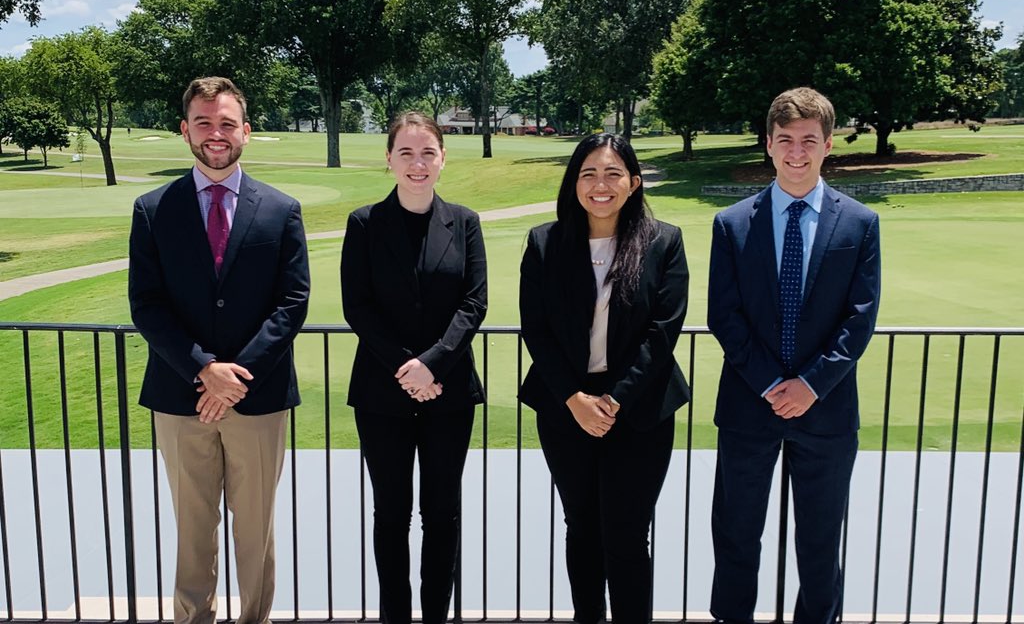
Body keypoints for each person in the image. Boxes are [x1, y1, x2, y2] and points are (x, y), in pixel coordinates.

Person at [128, 77, 310, 624]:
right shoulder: (152, 209)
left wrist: (238, 377)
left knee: (256, 529)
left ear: (246, 132)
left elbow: (292, 302)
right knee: (192, 528)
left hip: (259, 399)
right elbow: (147, 305)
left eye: (227, 123)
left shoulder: (281, 209)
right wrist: (205, 369)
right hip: (180, 398)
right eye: (204, 122)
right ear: (185, 129)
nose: (216, 133)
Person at [708, 87, 881, 624]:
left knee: (821, 544)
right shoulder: (732, 223)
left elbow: (860, 317)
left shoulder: (859, 223)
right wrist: (770, 383)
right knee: (735, 538)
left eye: (809, 140)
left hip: (826, 412)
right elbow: (725, 316)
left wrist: (810, 384)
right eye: (785, 140)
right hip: (747, 407)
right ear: (768, 144)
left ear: (828, 145)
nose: (797, 152)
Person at [519, 133, 690, 623]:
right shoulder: (545, 243)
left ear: (634, 183)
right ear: (574, 182)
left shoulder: (664, 241)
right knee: (582, 528)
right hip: (565, 408)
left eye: (613, 173)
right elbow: (538, 329)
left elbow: (662, 333)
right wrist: (574, 398)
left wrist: (613, 401)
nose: (600, 184)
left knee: (629, 534)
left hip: (639, 412)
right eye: (588, 173)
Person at [341, 111, 487, 624]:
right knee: (391, 514)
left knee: (442, 513)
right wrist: (407, 367)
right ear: (388, 159)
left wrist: (433, 365)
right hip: (382, 393)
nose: (417, 163)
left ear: (443, 158)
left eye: (428, 152)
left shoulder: (465, 222)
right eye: (406, 152)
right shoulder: (364, 224)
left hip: (450, 393)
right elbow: (357, 306)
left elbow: (474, 304)